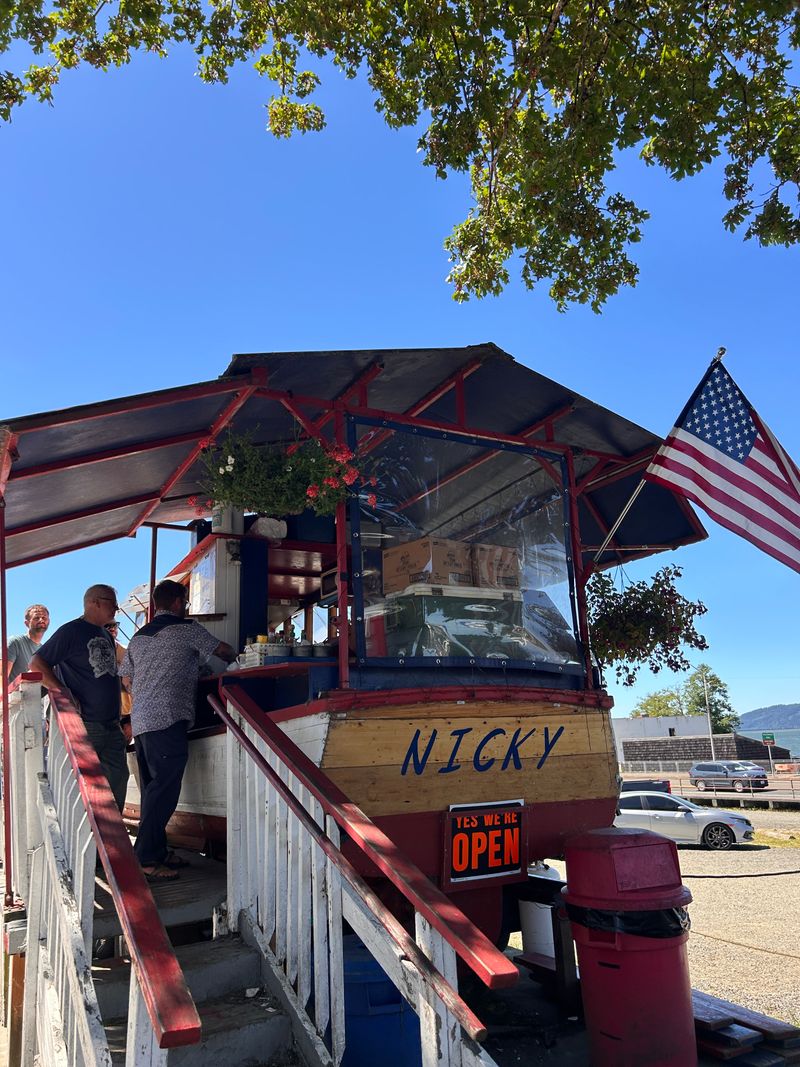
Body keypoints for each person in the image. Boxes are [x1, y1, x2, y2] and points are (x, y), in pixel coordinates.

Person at [120, 579, 235, 883]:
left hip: (142, 721)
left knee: (151, 791)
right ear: (176, 602)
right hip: (168, 718)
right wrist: (244, 655)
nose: (185, 606)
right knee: (164, 790)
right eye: (183, 601)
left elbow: (127, 680)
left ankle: (156, 851)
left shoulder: (138, 638)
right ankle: (145, 859)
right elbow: (223, 651)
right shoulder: (187, 629)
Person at [30, 585, 128, 812]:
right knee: (83, 788)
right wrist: (62, 691)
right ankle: (90, 843)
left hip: (112, 726)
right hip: (86, 726)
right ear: (94, 602)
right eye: (112, 603)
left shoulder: (106, 634)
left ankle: (109, 845)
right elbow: (36, 663)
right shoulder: (71, 631)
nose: (116, 608)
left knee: (118, 782)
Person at [5, 604, 50, 683]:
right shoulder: (15, 642)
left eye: (44, 618)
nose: (41, 620)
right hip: (14, 694)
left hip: (36, 694)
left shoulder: (44, 650)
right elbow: (2, 675)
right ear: (26, 623)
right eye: (36, 618)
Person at [106, 621, 133, 743]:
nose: (112, 628)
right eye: (107, 626)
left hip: (125, 712)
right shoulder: (91, 653)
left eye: (114, 625)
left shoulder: (126, 652)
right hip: (102, 714)